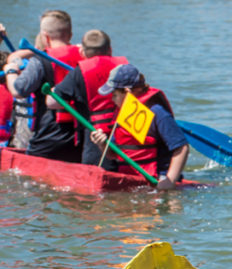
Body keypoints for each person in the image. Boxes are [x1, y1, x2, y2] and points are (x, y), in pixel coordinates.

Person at [86, 63, 189, 190]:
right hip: (133, 180)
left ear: (127, 92)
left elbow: (182, 147)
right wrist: (102, 144)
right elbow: (113, 154)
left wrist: (170, 181)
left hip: (158, 180)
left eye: (114, 95)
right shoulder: (123, 112)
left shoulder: (157, 112)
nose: (112, 99)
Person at [1, 11, 82, 162]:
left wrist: (10, 70)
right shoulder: (85, 58)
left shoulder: (39, 61)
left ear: (45, 36)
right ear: (70, 34)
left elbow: (19, 90)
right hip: (79, 140)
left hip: (48, 139)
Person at [47, 29, 126, 166]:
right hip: (126, 141)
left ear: (82, 53)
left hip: (95, 142)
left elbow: (52, 102)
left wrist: (55, 90)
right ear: (110, 49)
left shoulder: (79, 73)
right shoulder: (125, 68)